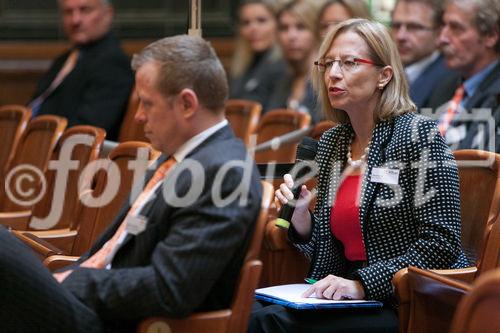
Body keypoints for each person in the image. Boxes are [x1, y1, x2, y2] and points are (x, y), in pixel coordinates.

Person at [0, 35, 262, 333]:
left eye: (147, 103)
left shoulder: (224, 171)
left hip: (118, 322)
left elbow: (169, 287)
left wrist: (74, 280)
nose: (137, 117)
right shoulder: (177, 160)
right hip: (92, 303)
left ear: (187, 103)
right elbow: (118, 250)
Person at [249, 18, 469, 333]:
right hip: (343, 296)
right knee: (247, 311)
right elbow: (331, 250)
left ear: (384, 75)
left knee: (271, 325)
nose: (333, 74)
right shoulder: (332, 143)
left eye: (350, 63)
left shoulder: (419, 138)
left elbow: (441, 244)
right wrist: (304, 223)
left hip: (406, 303)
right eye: (328, 64)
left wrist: (362, 284)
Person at [30, 0, 134, 141]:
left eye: (85, 10)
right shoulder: (65, 58)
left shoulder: (113, 63)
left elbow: (85, 132)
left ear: (108, 13)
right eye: (68, 12)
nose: (75, 20)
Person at [428, 0, 499, 152]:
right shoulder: (444, 86)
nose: (442, 39)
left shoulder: (497, 97)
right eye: (443, 26)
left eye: (456, 28)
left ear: (491, 35)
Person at [390, 0, 458, 109]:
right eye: (396, 26)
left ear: (439, 33)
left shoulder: (450, 81)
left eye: (414, 27)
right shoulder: (385, 72)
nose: (400, 36)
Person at [267, 0, 321, 123]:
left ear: (315, 31)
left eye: (301, 27)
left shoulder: (328, 79)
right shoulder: (282, 78)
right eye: (284, 28)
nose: (291, 36)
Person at [230, 0, 286, 111]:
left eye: (261, 21)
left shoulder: (283, 66)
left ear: (279, 24)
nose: (253, 28)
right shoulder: (243, 65)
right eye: (246, 23)